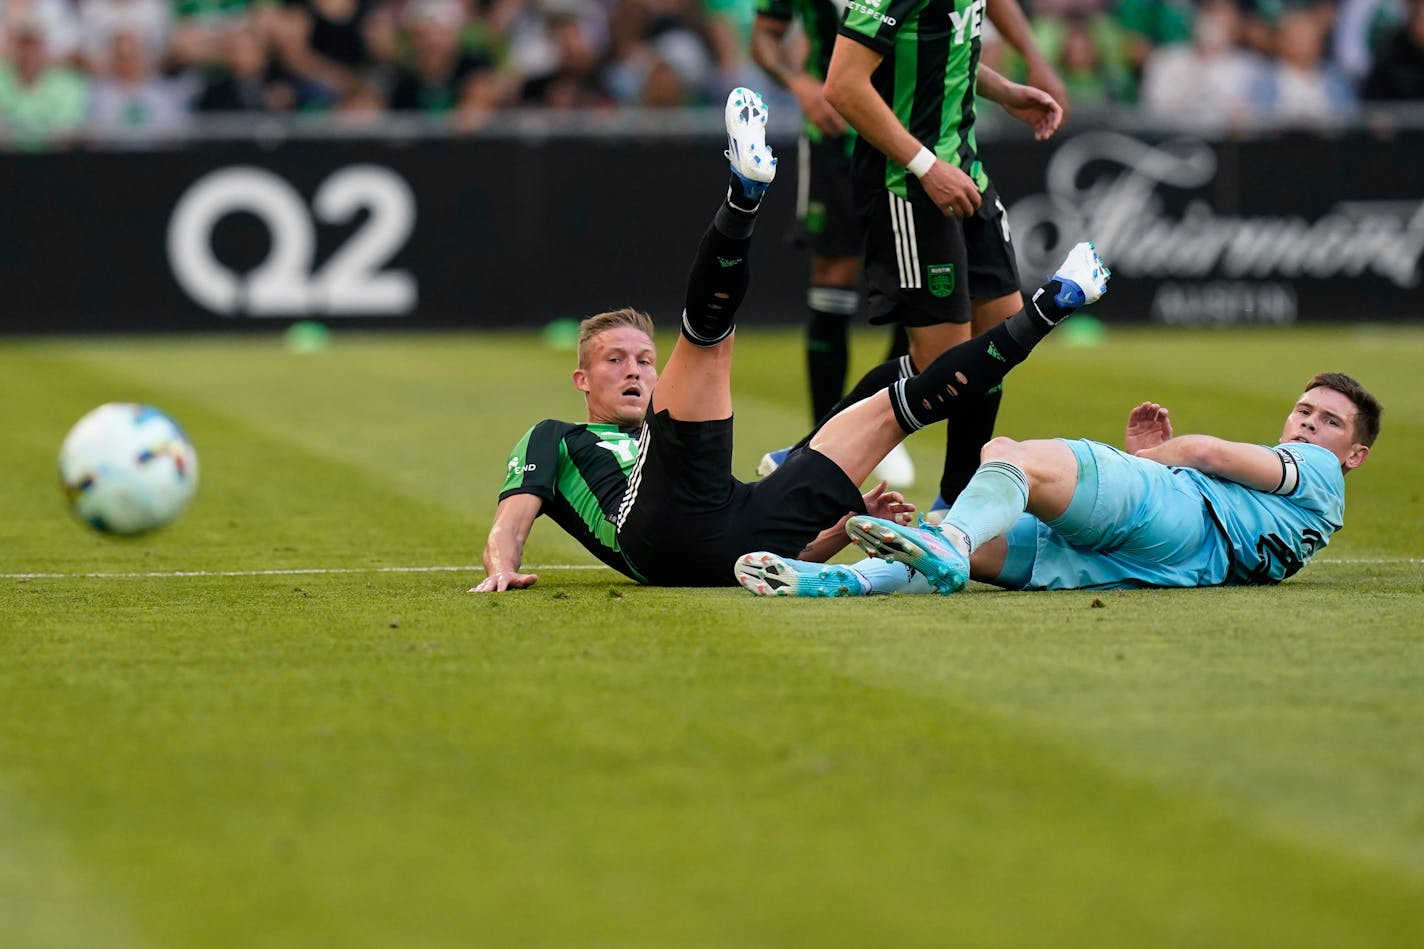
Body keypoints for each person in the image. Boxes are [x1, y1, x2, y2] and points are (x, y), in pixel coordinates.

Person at [473, 87, 1109, 593]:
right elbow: (512, 517)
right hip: (655, 528)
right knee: (709, 344)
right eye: (616, 361)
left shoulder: (662, 439)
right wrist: (502, 563)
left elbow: (788, 551)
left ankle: (1053, 304)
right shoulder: (558, 438)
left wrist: (844, 529)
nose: (637, 370)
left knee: (906, 402)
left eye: (643, 357)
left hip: (731, 540)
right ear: (582, 379)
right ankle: (743, 197)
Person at [760, 0, 1068, 522]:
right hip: (908, 185)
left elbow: (940, 54)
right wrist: (926, 166)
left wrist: (1007, 92)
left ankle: (955, 500)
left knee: (998, 337)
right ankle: (809, 453)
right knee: (940, 365)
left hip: (963, 168)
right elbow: (843, 84)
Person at [735, 374, 1382, 597]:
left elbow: (1210, 451)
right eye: (1304, 411)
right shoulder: (1313, 520)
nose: (1307, 427)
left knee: (1008, 455)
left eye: (1329, 422)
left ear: (1354, 454)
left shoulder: (1317, 469)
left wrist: (1156, 459)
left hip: (1180, 510)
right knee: (939, 539)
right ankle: (842, 580)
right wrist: (1154, 460)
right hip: (1173, 567)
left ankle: (950, 538)